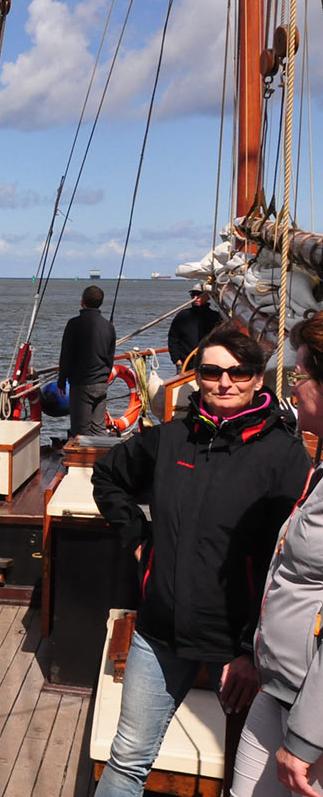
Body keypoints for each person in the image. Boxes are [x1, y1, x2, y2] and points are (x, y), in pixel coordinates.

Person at [91, 322, 312, 797]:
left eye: (240, 372)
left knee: (248, 776)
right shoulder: (172, 438)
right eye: (212, 372)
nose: (225, 382)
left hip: (237, 648)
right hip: (160, 631)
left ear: (258, 378)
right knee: (127, 760)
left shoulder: (284, 453)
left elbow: (287, 565)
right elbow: (108, 475)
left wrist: (250, 648)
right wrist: (137, 536)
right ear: (196, 377)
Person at [231, 313, 323, 797]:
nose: (294, 384)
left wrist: (308, 739)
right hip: (279, 685)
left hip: (312, 710)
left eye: (301, 373)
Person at [59, 285, 116, 438]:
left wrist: (61, 381)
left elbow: (66, 355)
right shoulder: (109, 326)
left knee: (81, 430)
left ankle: (83, 461)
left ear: (82, 301)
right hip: (101, 383)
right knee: (99, 428)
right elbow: (110, 357)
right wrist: (104, 377)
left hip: (81, 384)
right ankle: (102, 459)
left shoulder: (73, 324)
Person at [167, 285, 224, 370]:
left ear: (208, 297)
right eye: (193, 295)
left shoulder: (215, 317)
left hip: (209, 362)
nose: (195, 297)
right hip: (186, 363)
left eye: (199, 295)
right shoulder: (183, 315)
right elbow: (173, 338)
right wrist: (176, 359)